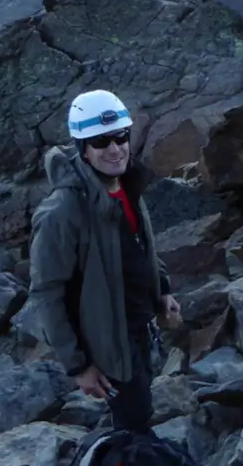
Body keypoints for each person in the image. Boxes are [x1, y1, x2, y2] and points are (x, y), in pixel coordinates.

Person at [28, 89, 181, 432]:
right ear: (83, 148)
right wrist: (79, 366)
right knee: (133, 421)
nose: (114, 148)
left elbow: (141, 247)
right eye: (100, 142)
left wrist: (163, 290)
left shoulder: (125, 185)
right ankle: (122, 461)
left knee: (139, 410)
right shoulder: (62, 212)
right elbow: (46, 292)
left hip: (139, 327)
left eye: (120, 137)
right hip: (109, 343)